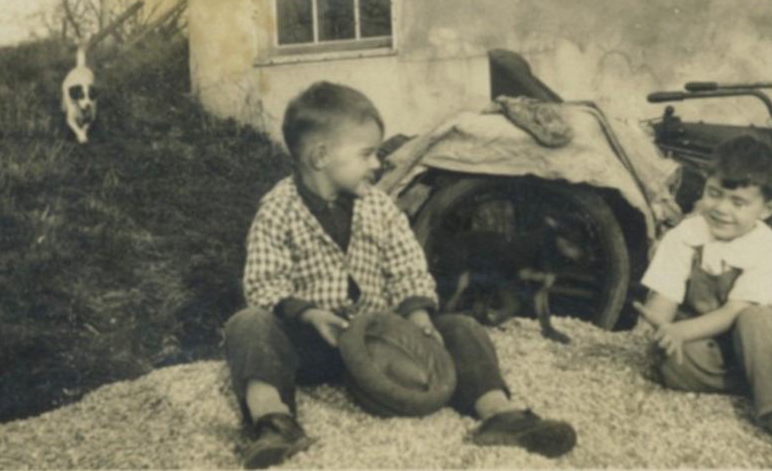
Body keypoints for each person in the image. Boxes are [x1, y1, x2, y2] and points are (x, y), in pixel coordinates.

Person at [222, 81, 577, 469]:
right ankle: (273, 421)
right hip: (316, 343)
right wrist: (308, 314)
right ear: (321, 156)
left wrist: (418, 317)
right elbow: (263, 283)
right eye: (367, 154)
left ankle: (498, 412)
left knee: (461, 328)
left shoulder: (380, 206)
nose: (377, 164)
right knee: (248, 324)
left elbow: (408, 267)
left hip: (382, 343)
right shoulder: (277, 210)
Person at [635, 135, 772, 456]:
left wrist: (679, 330)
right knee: (671, 362)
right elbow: (664, 297)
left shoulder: (770, 247)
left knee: (758, 316)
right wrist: (661, 328)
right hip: (707, 348)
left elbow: (734, 311)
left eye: (738, 202)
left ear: (768, 209)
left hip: (752, 335)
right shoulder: (685, 236)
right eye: (714, 194)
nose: (721, 209)